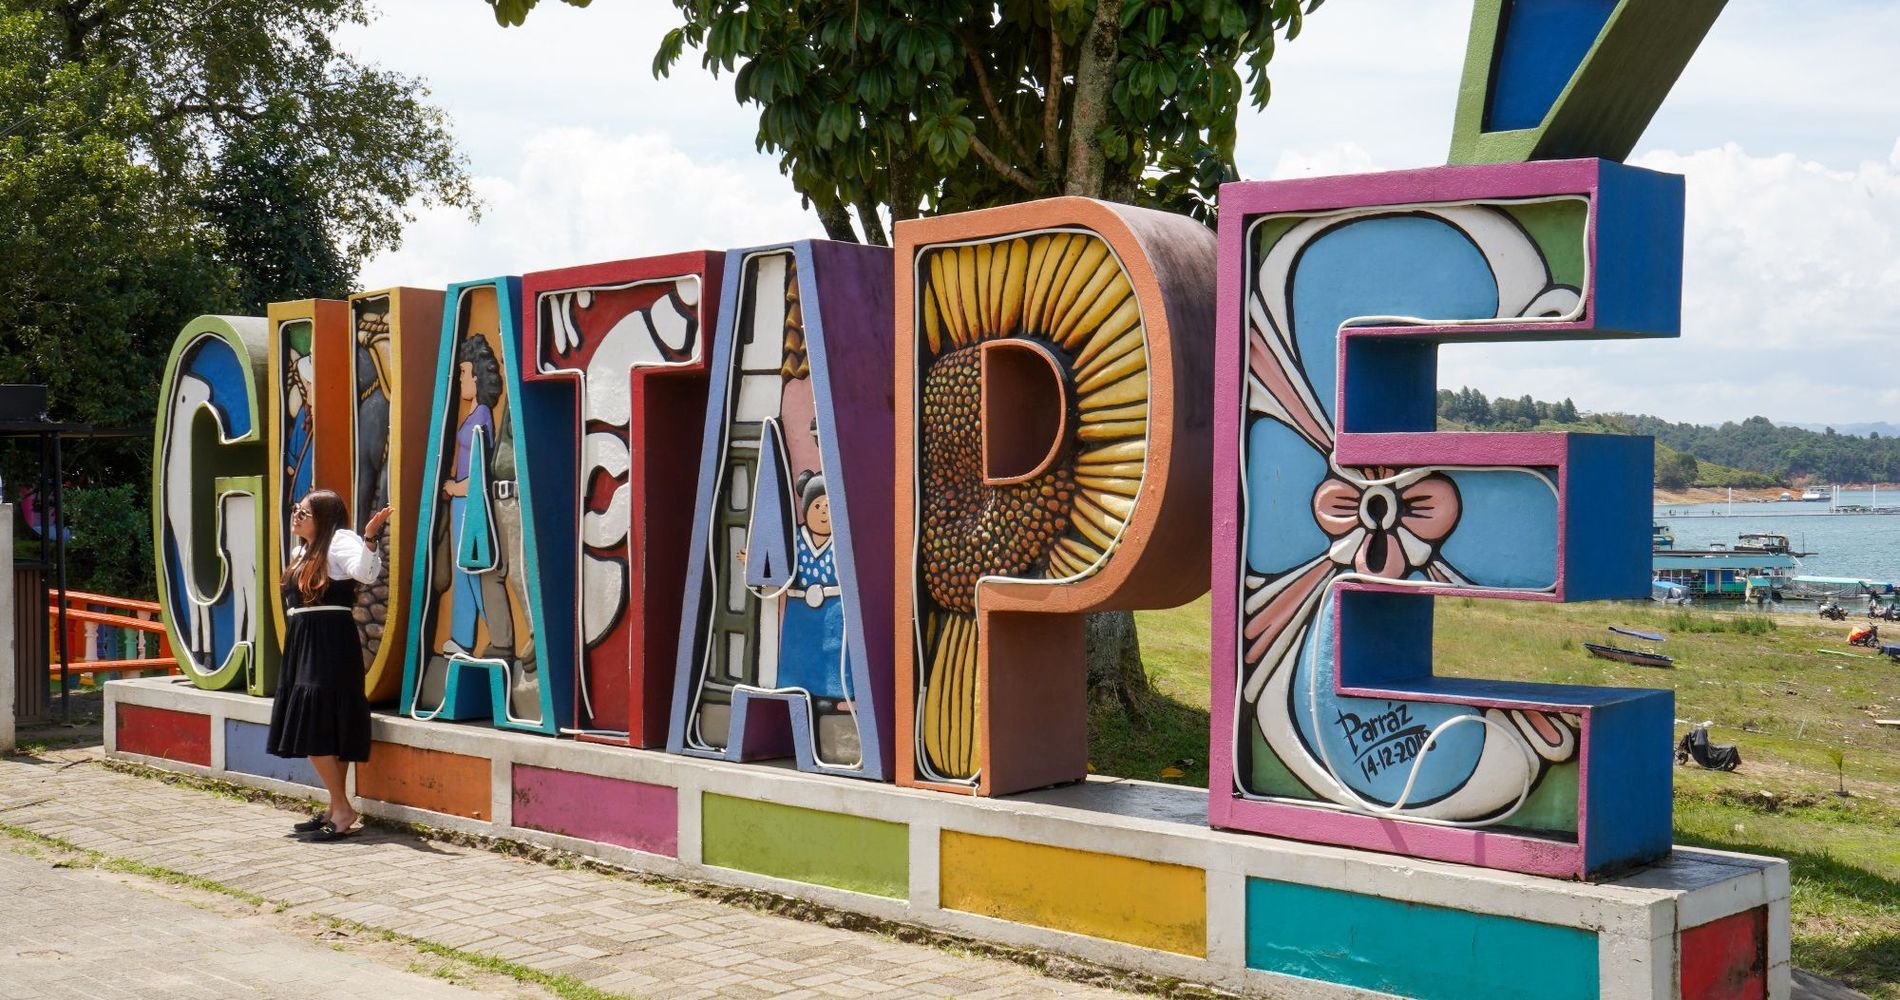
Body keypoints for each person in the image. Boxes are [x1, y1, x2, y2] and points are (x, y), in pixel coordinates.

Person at [267, 489, 390, 841]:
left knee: (315, 724)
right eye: (295, 510)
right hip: (304, 641)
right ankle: (337, 808)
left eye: (303, 512)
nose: (296, 516)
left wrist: (368, 539)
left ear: (323, 517)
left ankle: (342, 808)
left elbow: (365, 574)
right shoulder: (301, 551)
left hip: (329, 642)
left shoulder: (339, 541)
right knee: (327, 724)